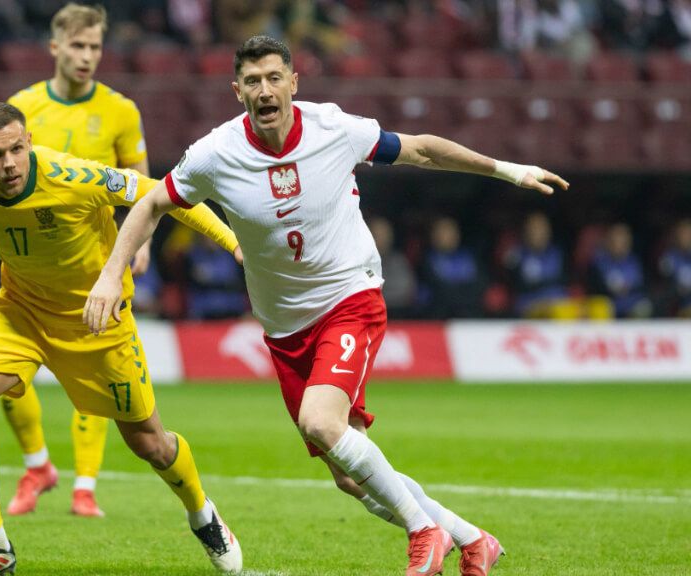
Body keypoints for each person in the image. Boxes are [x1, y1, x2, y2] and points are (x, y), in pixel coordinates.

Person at [86, 35, 569, 576]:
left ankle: (424, 531)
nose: (264, 90)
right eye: (252, 81)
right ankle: (474, 539)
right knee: (349, 474)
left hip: (349, 295)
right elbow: (151, 202)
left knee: (320, 421)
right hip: (284, 328)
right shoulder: (215, 153)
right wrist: (111, 275)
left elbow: (423, 149)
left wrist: (507, 169)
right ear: (237, 91)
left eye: (274, 78)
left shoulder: (334, 129)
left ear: (294, 82)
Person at [0, 102, 243, 576]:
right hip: (19, 311)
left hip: (95, 320)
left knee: (150, 443)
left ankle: (201, 513)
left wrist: (233, 245)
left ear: (28, 142)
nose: (8, 163)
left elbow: (163, 196)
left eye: (16, 149)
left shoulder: (75, 177)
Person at [0, 3, 156, 519]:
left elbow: (144, 190)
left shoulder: (121, 110)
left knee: (95, 377)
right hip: (26, 264)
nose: (87, 56)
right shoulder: (22, 108)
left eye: (95, 47)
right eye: (77, 46)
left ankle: (85, 486)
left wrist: (139, 249)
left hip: (93, 264)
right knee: (5, 373)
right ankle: (37, 466)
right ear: (54, 48)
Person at [419, 216, 485, 319]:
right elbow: (436, 288)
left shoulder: (469, 257)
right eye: (441, 231)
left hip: (469, 313)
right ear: (433, 235)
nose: (446, 236)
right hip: (437, 315)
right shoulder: (426, 260)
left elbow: (479, 284)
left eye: (450, 231)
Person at [588, 222, 652, 318]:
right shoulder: (598, 263)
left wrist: (628, 289)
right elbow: (593, 289)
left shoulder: (636, 262)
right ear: (608, 241)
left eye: (623, 240)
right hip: (608, 306)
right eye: (615, 240)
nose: (619, 244)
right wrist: (612, 290)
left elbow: (644, 287)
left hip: (632, 305)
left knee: (644, 307)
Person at [658, 218, 691, 317]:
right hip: (677, 305)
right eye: (682, 234)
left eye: (688, 234)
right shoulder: (669, 258)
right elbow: (664, 285)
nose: (685, 237)